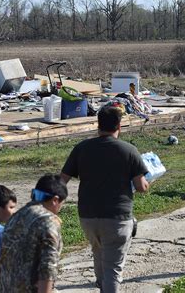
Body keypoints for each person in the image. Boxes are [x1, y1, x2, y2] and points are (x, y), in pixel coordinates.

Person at [61, 106, 150, 293]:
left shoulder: (82, 148)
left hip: (87, 217)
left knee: (98, 254)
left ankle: (102, 286)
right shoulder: (129, 150)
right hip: (117, 217)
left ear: (98, 124)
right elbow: (141, 187)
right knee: (113, 269)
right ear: (119, 126)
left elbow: (62, 180)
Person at [0, 174, 67, 293]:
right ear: (55, 200)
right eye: (62, 203)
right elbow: (47, 269)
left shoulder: (16, 216)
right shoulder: (48, 221)